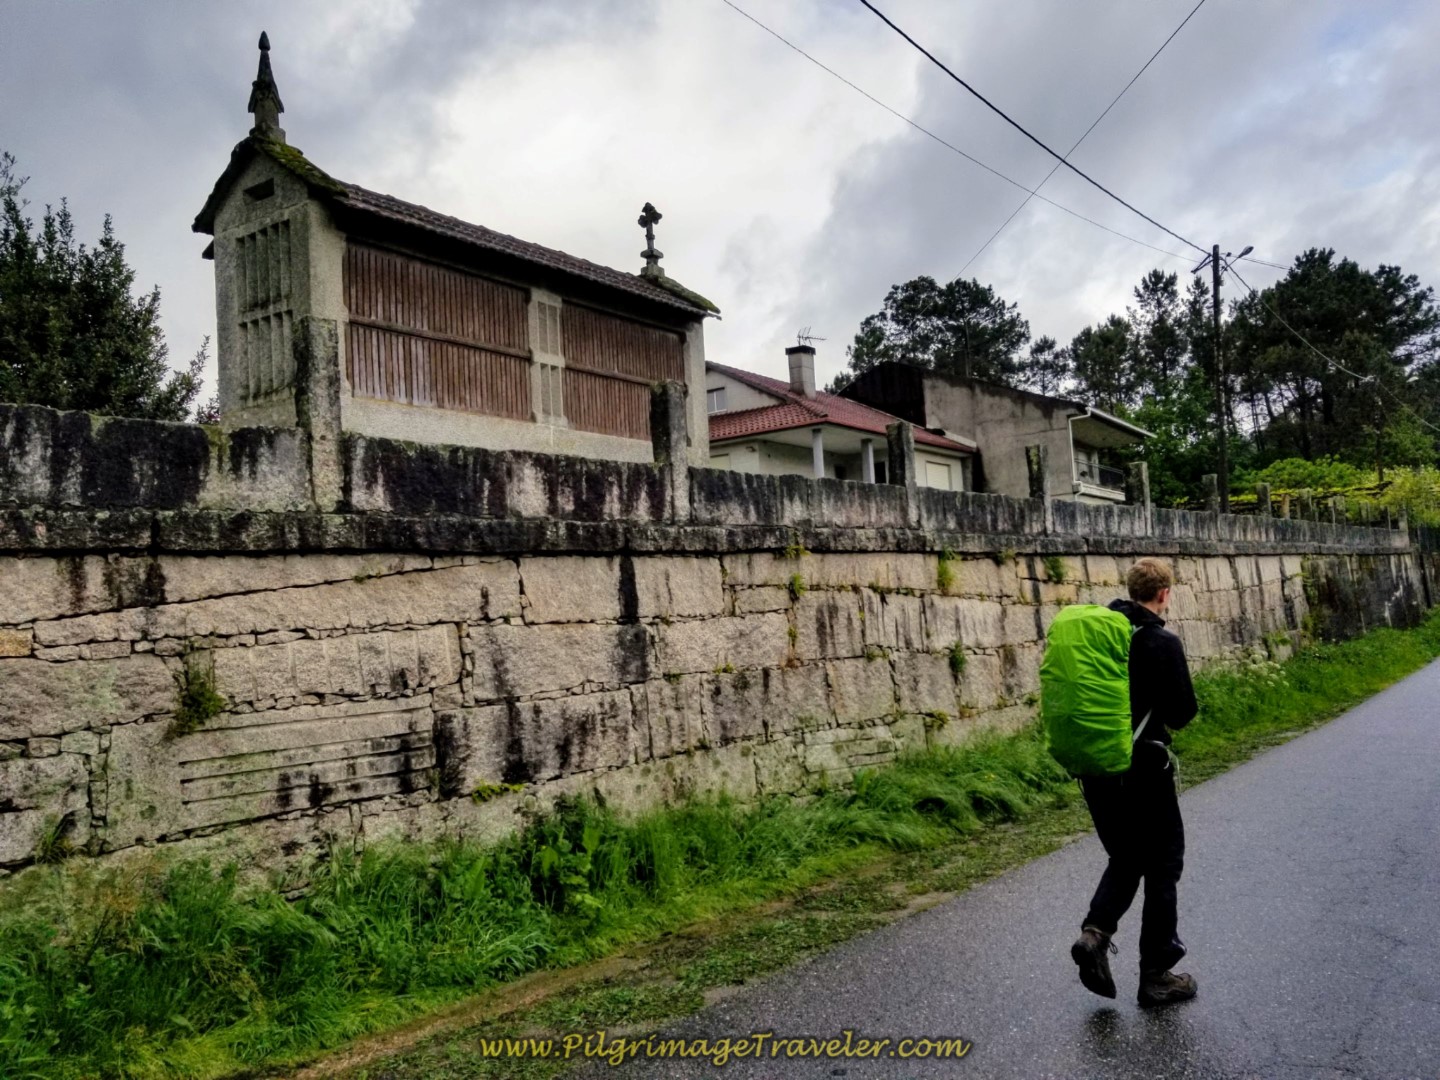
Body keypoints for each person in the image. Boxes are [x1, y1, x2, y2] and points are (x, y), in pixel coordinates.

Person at [1070, 556, 1200, 1007]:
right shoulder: (1160, 642)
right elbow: (1183, 714)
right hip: (1143, 767)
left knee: (1126, 856)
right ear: (1163, 593)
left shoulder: (1100, 636)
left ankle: (1094, 935)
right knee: (1163, 864)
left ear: (1129, 591)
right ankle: (1157, 975)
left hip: (1095, 768)